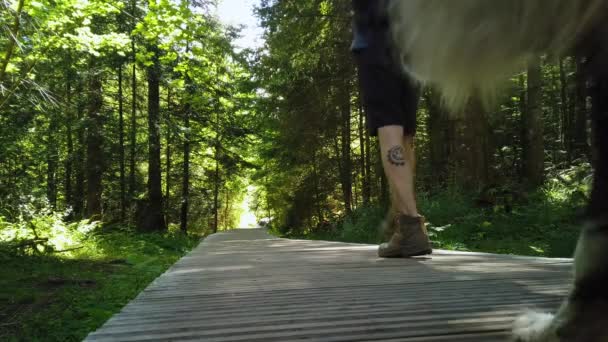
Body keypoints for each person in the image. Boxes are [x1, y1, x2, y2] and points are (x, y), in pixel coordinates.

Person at [350, 0, 432, 258]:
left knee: (391, 132)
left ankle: (410, 224)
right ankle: (405, 222)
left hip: (375, 45)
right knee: (406, 136)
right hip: (412, 47)